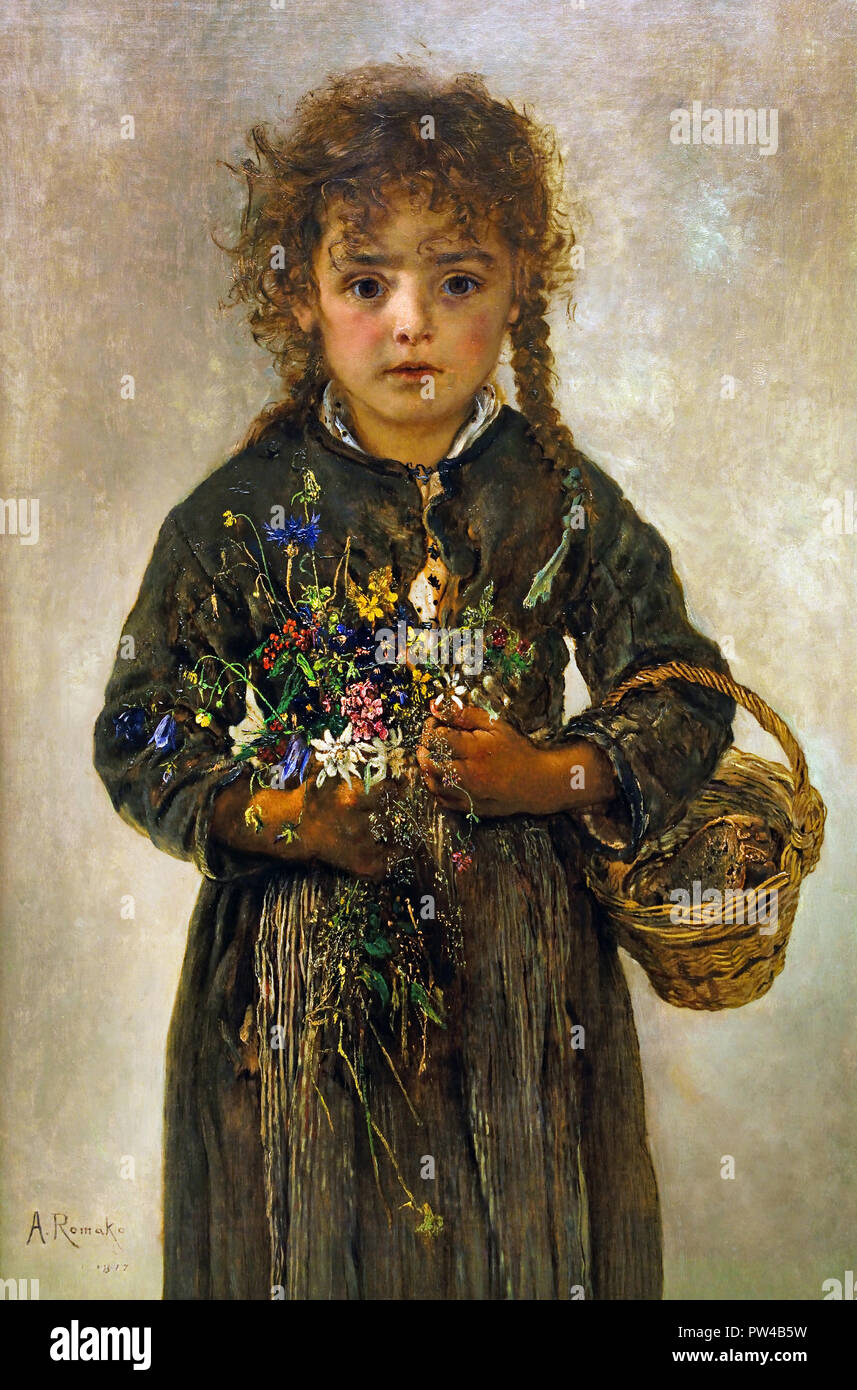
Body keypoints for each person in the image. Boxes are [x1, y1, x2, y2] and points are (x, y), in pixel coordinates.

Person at [93, 63, 734, 1300]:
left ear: (515, 291)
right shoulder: (237, 514)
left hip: (526, 989)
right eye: (365, 280)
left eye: (455, 281)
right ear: (302, 295)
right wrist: (291, 814)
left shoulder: (556, 496)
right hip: (288, 995)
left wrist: (548, 772)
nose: (410, 323)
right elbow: (138, 728)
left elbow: (684, 687)